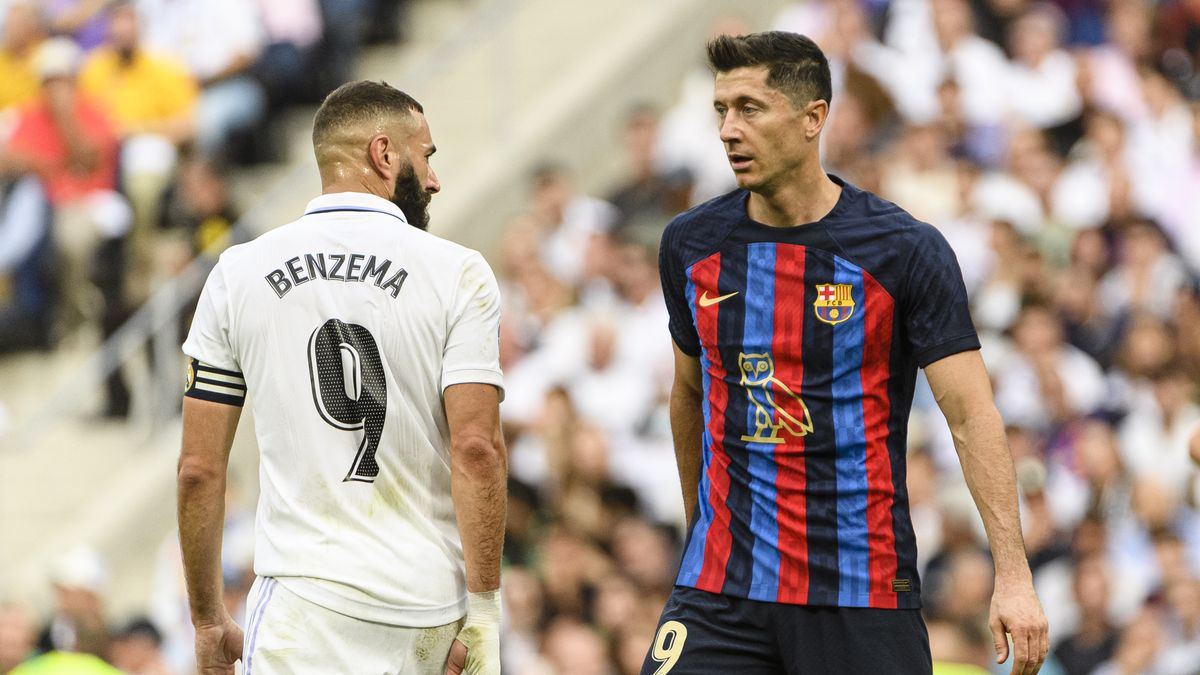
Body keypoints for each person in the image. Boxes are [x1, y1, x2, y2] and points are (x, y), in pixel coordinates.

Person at [645, 32, 1048, 674]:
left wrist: (1014, 575)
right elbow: (689, 394)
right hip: (723, 588)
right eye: (720, 110)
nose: (728, 130)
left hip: (859, 591)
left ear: (814, 118)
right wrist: (700, 538)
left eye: (750, 108)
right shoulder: (690, 245)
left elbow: (972, 417)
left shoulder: (902, 250)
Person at [177, 80, 507, 675]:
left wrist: (206, 619)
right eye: (427, 156)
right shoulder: (460, 272)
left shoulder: (237, 272)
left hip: (304, 607)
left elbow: (199, 470)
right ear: (384, 154)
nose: (433, 180)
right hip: (427, 605)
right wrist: (483, 608)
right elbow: (477, 448)